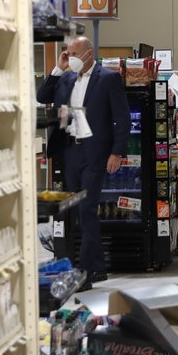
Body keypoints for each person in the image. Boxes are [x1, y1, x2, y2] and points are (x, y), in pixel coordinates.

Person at [37, 36, 131, 286]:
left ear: (89, 54)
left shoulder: (108, 79)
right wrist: (58, 67)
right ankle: (95, 267)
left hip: (95, 154)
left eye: (75, 53)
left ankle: (87, 273)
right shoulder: (66, 77)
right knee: (70, 212)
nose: (72, 58)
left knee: (86, 209)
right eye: (68, 53)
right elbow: (41, 95)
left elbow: (122, 119)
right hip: (69, 152)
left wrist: (116, 153)